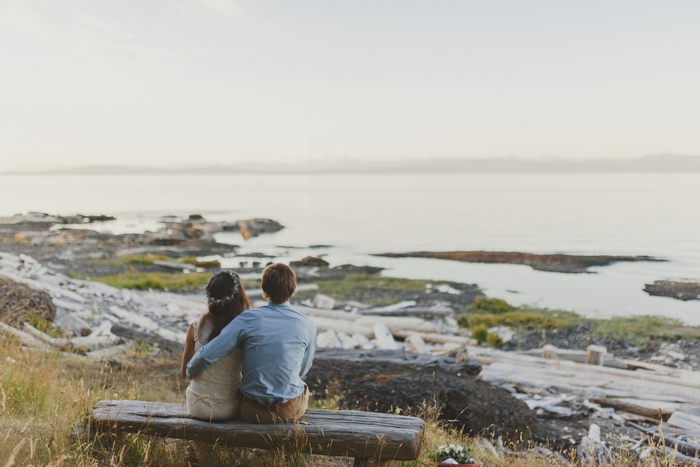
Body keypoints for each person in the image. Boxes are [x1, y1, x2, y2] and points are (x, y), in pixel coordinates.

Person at [187, 263, 316, 423]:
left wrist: (190, 370)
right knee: (302, 386)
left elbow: (208, 354)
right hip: (288, 411)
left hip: (252, 411)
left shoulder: (248, 319)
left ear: (264, 289)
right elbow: (301, 370)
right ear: (294, 289)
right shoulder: (307, 325)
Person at [181, 270, 250, 421]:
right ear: (239, 296)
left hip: (196, 406)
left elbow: (185, 373)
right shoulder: (243, 331)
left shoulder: (196, 326)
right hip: (230, 408)